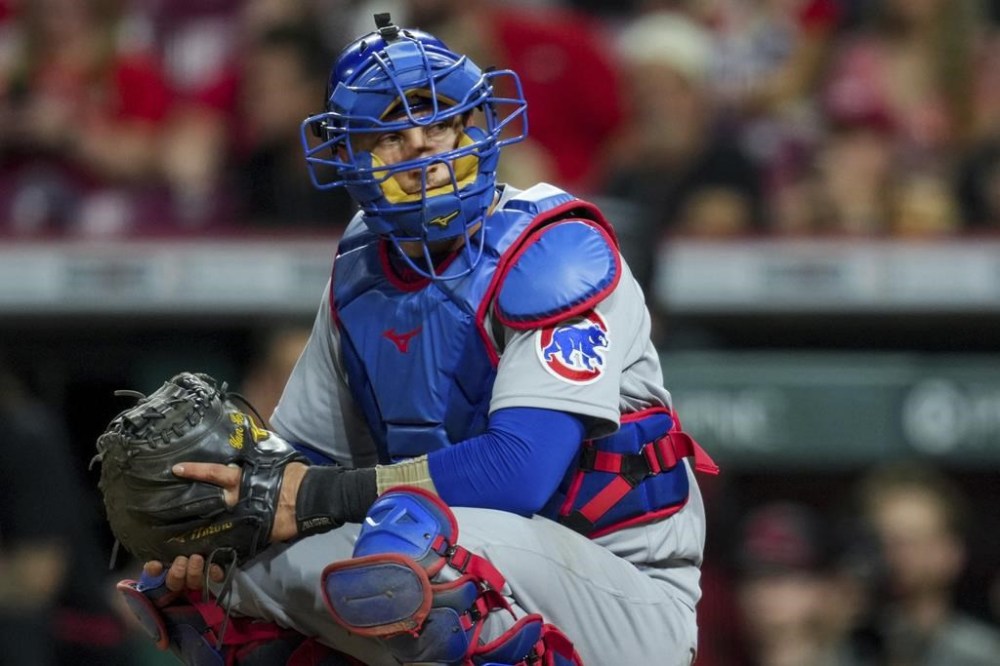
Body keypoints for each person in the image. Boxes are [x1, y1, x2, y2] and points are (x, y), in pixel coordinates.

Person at [123, 12, 718, 666]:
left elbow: (520, 470)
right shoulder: (360, 267)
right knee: (228, 582)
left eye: (440, 122)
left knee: (414, 550)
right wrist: (226, 522)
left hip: (622, 594)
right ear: (349, 159)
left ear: (477, 126)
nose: (424, 148)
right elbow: (299, 464)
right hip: (460, 550)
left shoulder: (555, 250)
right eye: (391, 135)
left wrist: (313, 498)